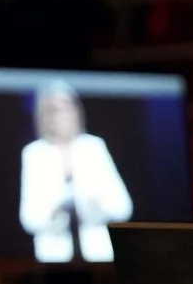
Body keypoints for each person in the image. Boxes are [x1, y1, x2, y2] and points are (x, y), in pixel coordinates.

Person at [18, 81, 133, 263]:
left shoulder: (94, 148)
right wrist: (55, 210)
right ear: (44, 115)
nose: (63, 116)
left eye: (67, 108)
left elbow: (123, 208)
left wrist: (96, 205)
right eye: (55, 110)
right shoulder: (34, 154)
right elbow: (29, 219)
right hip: (54, 259)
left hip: (99, 257)